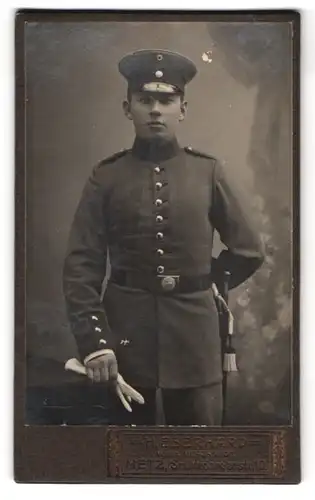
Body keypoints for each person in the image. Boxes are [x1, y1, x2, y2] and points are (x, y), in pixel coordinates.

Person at [63, 49, 264, 425]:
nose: (156, 109)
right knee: (124, 458)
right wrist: (95, 345)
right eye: (145, 100)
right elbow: (82, 265)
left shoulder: (208, 172)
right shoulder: (106, 177)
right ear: (128, 109)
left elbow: (249, 249)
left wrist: (212, 285)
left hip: (195, 338)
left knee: (197, 459)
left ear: (182, 109)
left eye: (166, 100)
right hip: (124, 339)